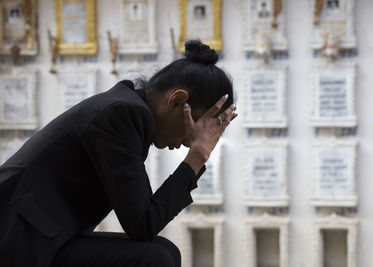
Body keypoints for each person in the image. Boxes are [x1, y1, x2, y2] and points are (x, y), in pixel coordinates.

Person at [0, 40, 237, 267]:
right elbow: (143, 224)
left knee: (166, 251)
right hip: (18, 240)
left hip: (42, 236)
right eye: (198, 127)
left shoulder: (127, 110)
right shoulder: (122, 114)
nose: (190, 142)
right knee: (155, 259)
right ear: (177, 101)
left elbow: (143, 223)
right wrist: (198, 156)